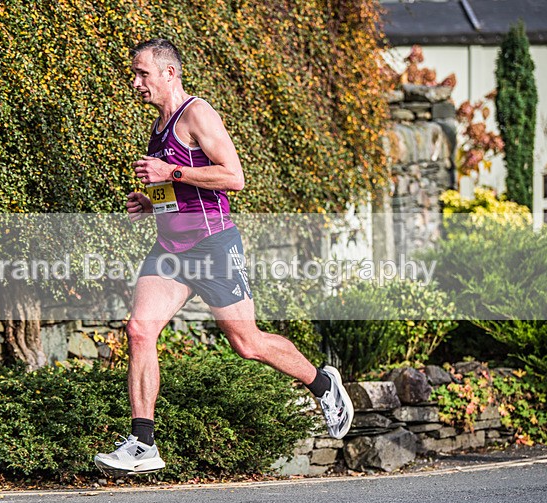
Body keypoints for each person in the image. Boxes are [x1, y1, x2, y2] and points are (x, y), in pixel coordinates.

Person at [93, 38, 354, 476]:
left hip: (213, 246)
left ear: (169, 73)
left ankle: (322, 381)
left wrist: (170, 171)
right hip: (171, 249)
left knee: (247, 343)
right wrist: (150, 200)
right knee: (139, 329)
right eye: (133, 74)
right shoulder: (160, 126)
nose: (135, 81)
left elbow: (234, 177)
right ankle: (143, 442)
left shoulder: (197, 113)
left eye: (142, 73)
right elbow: (181, 190)